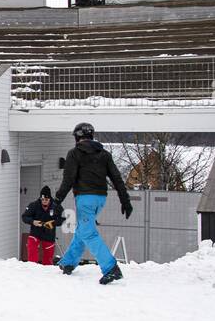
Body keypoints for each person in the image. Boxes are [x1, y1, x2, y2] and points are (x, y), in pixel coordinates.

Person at [54, 122, 132, 285]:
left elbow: (68, 179)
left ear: (77, 136)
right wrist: (125, 200)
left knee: (88, 233)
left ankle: (110, 268)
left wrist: (57, 200)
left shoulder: (74, 153)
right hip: (100, 199)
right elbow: (117, 178)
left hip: (85, 199)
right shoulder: (104, 154)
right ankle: (68, 262)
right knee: (83, 229)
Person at [21, 185, 64, 265]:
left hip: (49, 234)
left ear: (50, 198)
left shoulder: (56, 206)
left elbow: (61, 219)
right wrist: (33, 222)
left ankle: (46, 273)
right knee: (32, 248)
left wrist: (53, 223)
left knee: (48, 258)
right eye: (42, 199)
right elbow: (24, 217)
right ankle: (32, 268)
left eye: (46, 199)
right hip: (35, 232)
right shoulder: (33, 205)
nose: (44, 201)